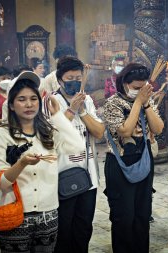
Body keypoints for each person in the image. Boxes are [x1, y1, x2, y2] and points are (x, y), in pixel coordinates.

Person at [0, 71, 86, 252]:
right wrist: (21, 164)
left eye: (33, 98)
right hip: (14, 214)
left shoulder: (47, 131)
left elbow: (78, 147)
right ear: (12, 105)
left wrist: (57, 116)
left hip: (48, 214)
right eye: (22, 99)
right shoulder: (1, 135)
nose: (29, 104)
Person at [45, 56, 104, 253]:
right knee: (64, 231)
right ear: (60, 79)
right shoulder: (51, 101)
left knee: (84, 228)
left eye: (78, 77)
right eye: (70, 78)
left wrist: (83, 112)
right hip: (62, 175)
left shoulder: (86, 99)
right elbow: (51, 138)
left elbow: (99, 132)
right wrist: (71, 110)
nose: (75, 82)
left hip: (88, 177)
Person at [103, 63, 164, 253]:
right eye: (136, 88)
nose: (140, 91)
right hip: (119, 163)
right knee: (123, 216)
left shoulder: (147, 100)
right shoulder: (112, 103)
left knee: (142, 214)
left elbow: (158, 128)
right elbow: (125, 131)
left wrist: (145, 103)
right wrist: (138, 102)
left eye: (143, 87)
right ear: (124, 84)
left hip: (143, 160)